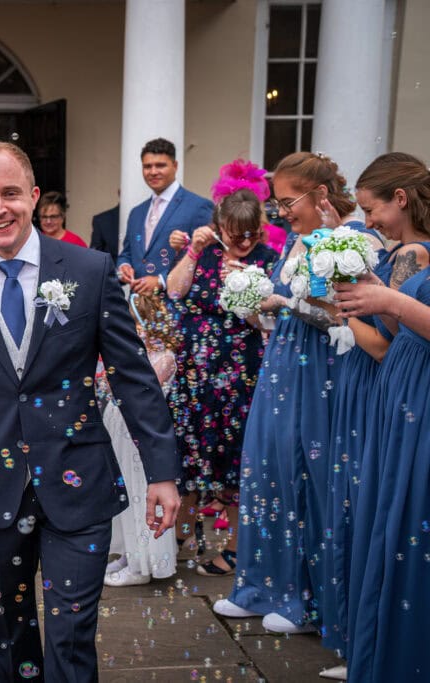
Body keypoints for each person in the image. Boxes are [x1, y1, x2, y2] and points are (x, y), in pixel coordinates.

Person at [0, 142, 180, 681]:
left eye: (9, 194)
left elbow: (133, 376)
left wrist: (162, 472)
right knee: (11, 636)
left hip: (81, 480)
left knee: (72, 635)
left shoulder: (91, 270)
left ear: (33, 196)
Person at [212, 152, 384, 637]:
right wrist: (248, 302)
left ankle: (306, 598)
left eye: (287, 202)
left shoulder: (355, 240)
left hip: (324, 371)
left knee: (308, 477)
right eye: (278, 203)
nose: (280, 212)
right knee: (268, 469)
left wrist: (284, 301)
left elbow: (343, 314)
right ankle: (263, 585)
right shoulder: (295, 241)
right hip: (284, 364)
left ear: (320, 196)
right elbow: (280, 317)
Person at [325, 153, 430, 678]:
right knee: (390, 518)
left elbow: (397, 332)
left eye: (372, 210)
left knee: (406, 519)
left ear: (402, 199)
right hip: (404, 395)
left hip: (421, 399)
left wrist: (386, 299)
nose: (367, 222)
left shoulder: (417, 252)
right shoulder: (402, 253)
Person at [164, 188, 280, 576]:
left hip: (239, 375)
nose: (244, 242)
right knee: (189, 455)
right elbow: (174, 291)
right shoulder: (208, 252)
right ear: (219, 227)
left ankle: (234, 547)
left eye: (251, 234)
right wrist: (194, 251)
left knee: (232, 461)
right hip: (194, 374)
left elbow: (267, 325)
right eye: (235, 233)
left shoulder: (268, 261)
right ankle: (181, 535)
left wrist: (245, 293)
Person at [102, 293, 180, 587]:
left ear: (148, 324)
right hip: (118, 425)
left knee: (140, 493)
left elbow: (136, 390)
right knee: (122, 492)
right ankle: (128, 552)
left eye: (133, 324)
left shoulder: (164, 358)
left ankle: (143, 565)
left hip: (140, 435)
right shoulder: (132, 355)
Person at [117, 138, 214, 294]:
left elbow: (207, 258)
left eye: (160, 165)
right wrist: (123, 267)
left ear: (175, 166)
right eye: (147, 166)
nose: (153, 172)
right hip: (137, 305)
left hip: (176, 307)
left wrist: (162, 280)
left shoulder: (198, 206)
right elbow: (127, 254)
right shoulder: (137, 212)